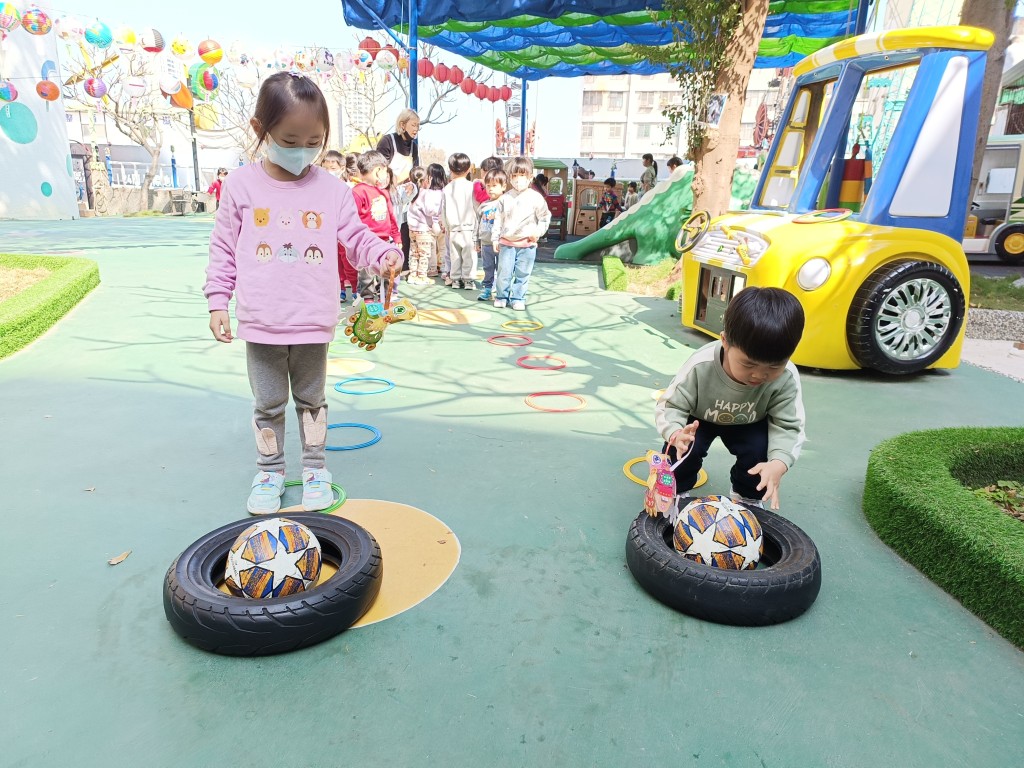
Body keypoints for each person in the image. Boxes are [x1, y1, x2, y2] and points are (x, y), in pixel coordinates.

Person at [204, 71, 401, 515]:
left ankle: (314, 469)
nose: (302, 150)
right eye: (290, 140)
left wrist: (383, 253)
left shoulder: (333, 189)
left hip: (312, 319)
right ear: (261, 129)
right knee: (268, 404)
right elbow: (223, 248)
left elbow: (357, 237)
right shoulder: (240, 185)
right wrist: (218, 300)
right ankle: (269, 471)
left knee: (312, 401)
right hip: (262, 320)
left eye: (314, 141)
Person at [654, 287, 806, 510]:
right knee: (684, 447)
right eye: (748, 364)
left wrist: (778, 462)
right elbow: (671, 404)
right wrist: (675, 432)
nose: (759, 375)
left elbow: (788, 425)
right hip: (699, 420)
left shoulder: (787, 377)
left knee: (760, 452)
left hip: (749, 421)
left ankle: (747, 497)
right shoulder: (701, 365)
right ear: (725, 341)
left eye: (774, 367)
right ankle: (675, 490)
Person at [491, 156, 551, 311]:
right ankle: (501, 296)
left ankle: (518, 298)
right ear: (510, 177)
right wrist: (495, 238)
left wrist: (537, 232)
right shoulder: (505, 198)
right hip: (507, 242)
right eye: (515, 175)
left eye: (522, 175)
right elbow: (498, 219)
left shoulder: (536, 198)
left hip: (527, 243)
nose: (518, 179)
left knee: (523, 273)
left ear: (530, 177)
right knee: (504, 272)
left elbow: (545, 217)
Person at [351, 150, 402, 302]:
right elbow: (353, 219)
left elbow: (391, 217)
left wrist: (397, 236)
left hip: (384, 241)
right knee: (366, 273)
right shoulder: (357, 192)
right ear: (378, 170)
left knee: (386, 269)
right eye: (385, 171)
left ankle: (385, 298)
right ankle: (367, 300)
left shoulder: (383, 193)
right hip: (366, 242)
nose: (386, 175)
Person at [443, 152, 479, 290]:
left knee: (455, 256)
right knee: (469, 256)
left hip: (453, 229)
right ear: (468, 169)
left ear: (450, 169)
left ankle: (456, 279)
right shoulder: (471, 186)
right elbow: (476, 207)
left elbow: (443, 210)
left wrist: (446, 227)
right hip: (469, 228)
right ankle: (468, 280)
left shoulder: (447, 188)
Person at [407, 164, 446, 285]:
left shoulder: (414, 192)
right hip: (423, 229)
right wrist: (437, 212)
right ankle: (422, 276)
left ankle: (413, 275)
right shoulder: (426, 193)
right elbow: (429, 211)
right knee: (424, 254)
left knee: (414, 253)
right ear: (426, 180)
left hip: (412, 228)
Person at [475, 166, 506, 302]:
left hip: (501, 243)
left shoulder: (505, 202)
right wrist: (476, 240)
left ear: (503, 186)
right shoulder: (483, 205)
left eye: (494, 186)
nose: (491, 189)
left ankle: (501, 290)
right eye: (488, 186)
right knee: (487, 267)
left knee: (502, 267)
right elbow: (477, 223)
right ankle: (487, 288)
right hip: (486, 243)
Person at [376, 108, 420, 184]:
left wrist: (412, 186)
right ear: (402, 125)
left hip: (406, 189)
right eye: (413, 125)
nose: (416, 129)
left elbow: (415, 175)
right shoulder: (387, 141)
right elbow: (380, 172)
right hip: (386, 187)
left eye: (418, 126)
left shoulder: (414, 147)